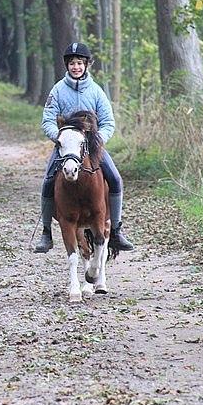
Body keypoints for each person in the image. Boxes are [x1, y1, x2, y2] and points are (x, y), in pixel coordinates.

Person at [34, 42, 135, 253]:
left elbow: (108, 122)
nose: (76, 67)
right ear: (67, 65)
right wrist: (60, 137)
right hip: (66, 147)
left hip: (92, 147)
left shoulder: (96, 92)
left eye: (80, 63)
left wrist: (97, 139)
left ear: (86, 65)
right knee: (48, 181)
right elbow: (47, 120)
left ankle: (115, 229)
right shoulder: (58, 91)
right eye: (72, 63)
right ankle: (46, 232)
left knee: (115, 178)